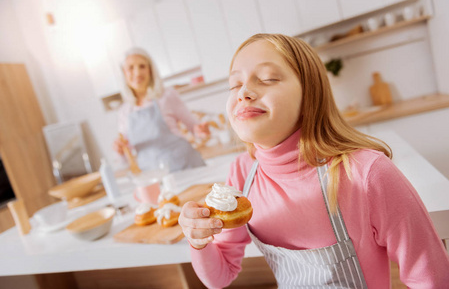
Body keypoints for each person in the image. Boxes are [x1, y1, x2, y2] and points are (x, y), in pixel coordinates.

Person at [179, 34, 449, 288]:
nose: (244, 92)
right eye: (235, 84)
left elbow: (431, 278)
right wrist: (198, 240)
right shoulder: (243, 173)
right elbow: (220, 276)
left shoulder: (365, 174)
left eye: (267, 78)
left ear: (310, 94)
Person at [113, 47, 209, 173]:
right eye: (131, 68)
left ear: (150, 70)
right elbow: (125, 158)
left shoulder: (167, 96)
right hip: (153, 177)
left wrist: (201, 130)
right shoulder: (124, 112)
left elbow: (195, 128)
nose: (137, 73)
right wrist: (120, 150)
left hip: (185, 167)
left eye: (142, 66)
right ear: (124, 74)